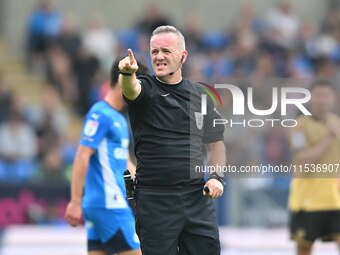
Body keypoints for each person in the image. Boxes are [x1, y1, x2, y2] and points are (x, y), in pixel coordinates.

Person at [118, 25, 226, 255]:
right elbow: (131, 89)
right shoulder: (145, 88)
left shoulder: (201, 96)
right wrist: (127, 74)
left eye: (166, 51)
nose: (159, 56)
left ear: (183, 56)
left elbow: (216, 143)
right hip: (155, 201)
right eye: (154, 51)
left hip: (197, 198)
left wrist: (216, 178)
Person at [64, 57, 149, 255]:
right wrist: (75, 201)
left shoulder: (118, 119)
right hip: (109, 203)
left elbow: (125, 165)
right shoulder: (100, 114)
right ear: (124, 80)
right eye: (138, 85)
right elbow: (82, 155)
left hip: (103, 203)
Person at [288, 79, 340, 255]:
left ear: (333, 98)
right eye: (318, 95)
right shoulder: (299, 125)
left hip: (334, 199)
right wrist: (328, 140)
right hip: (307, 200)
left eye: (326, 95)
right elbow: (302, 158)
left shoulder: (337, 123)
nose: (322, 100)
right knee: (304, 248)